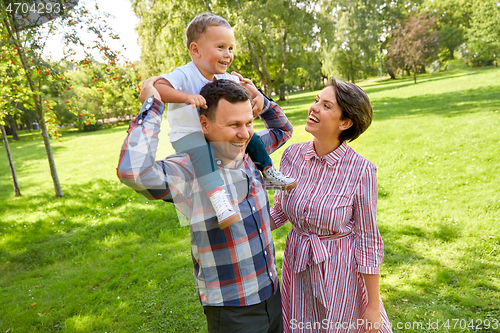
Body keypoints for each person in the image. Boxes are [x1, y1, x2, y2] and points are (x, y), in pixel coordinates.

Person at [117, 78, 288, 333]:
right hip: (234, 311)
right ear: (204, 124)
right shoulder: (189, 170)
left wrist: (260, 99)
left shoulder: (250, 152)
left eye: (248, 123)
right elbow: (133, 171)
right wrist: (153, 105)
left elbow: (282, 129)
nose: (244, 133)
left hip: (273, 294)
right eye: (233, 124)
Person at [153, 13, 297, 229]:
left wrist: (256, 95)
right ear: (195, 50)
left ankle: (268, 171)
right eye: (220, 47)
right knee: (202, 153)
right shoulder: (184, 74)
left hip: (216, 137)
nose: (228, 54)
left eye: (230, 48)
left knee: (251, 136)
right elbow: (158, 88)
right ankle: (219, 200)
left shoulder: (223, 77)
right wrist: (185, 97)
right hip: (188, 136)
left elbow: (244, 85)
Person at [270, 79, 392, 333]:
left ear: (345, 123)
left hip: (341, 270)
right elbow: (280, 211)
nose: (314, 108)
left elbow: (368, 238)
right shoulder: (292, 156)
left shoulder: (362, 170)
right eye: (316, 100)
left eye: (326, 105)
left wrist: (372, 304)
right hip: (298, 261)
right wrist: (244, 229)